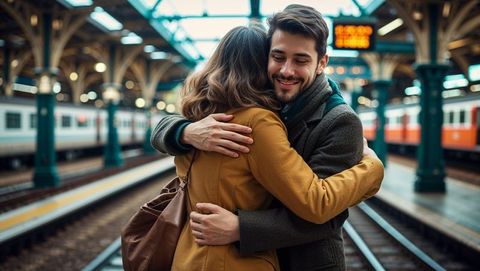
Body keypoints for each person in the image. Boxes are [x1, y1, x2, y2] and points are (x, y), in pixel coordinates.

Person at [152, 4, 372, 271]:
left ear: (321, 63)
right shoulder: (235, 117)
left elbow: (325, 214)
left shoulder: (339, 121)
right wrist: (184, 131)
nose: (286, 70)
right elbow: (162, 130)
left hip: (304, 263)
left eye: (301, 60)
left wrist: (241, 228)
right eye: (278, 57)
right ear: (262, 59)